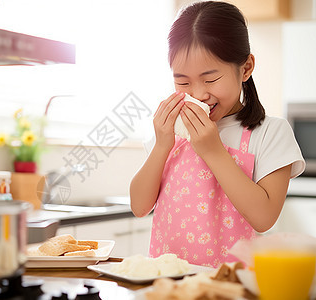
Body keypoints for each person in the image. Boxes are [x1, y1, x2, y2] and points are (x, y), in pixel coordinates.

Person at [129, 1, 305, 268]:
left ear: (245, 68)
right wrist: (161, 145)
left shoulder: (270, 132)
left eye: (210, 79)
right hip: (167, 284)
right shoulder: (172, 132)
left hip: (233, 285)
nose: (198, 93)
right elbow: (139, 206)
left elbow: (264, 217)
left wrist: (212, 150)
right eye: (183, 81)